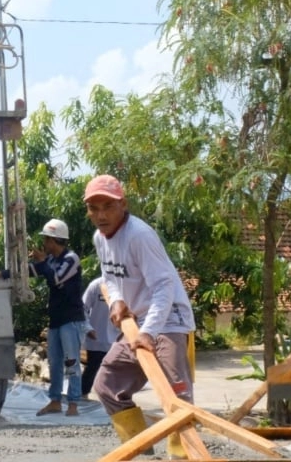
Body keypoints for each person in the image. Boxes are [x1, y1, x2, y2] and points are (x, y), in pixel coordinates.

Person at [85, 174, 195, 459]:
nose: (100, 215)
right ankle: (140, 449)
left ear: (123, 204)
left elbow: (163, 286)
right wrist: (118, 301)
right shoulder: (100, 238)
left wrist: (150, 331)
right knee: (106, 386)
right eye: (93, 208)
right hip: (136, 325)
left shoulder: (140, 235)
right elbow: (108, 276)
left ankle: (182, 457)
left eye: (107, 206)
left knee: (176, 394)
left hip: (168, 321)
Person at [27, 219, 86, 418]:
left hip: (71, 319)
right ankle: (54, 401)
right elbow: (31, 271)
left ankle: (73, 403)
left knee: (71, 363)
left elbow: (56, 278)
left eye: (46, 239)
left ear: (54, 240)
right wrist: (2, 274)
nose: (44, 243)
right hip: (56, 319)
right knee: (55, 363)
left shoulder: (71, 259)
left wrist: (42, 262)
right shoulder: (50, 261)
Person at [81, 276, 120, 399]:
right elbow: (83, 308)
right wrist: (88, 328)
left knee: (115, 371)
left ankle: (112, 400)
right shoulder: (96, 285)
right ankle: (83, 396)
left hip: (118, 338)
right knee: (92, 368)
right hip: (96, 337)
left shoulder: (125, 285)